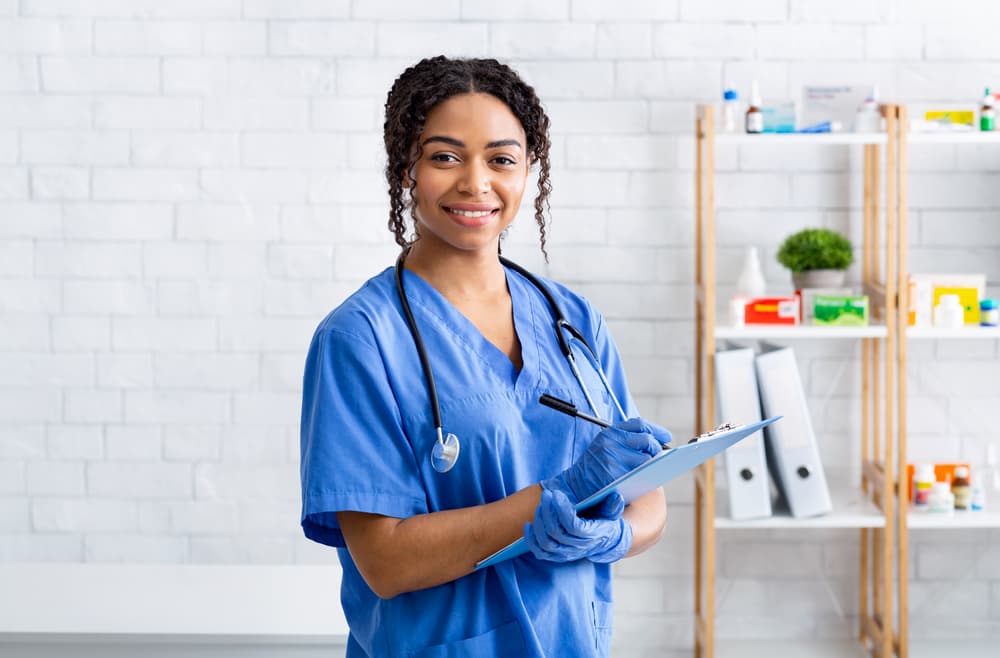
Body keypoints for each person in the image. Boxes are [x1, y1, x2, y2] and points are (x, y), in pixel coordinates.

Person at [300, 56, 672, 658]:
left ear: (529, 173)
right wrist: (552, 497)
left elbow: (645, 496)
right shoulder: (361, 339)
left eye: (501, 159)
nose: (476, 183)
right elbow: (386, 562)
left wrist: (610, 535)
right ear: (406, 170)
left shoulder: (572, 321)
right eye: (445, 156)